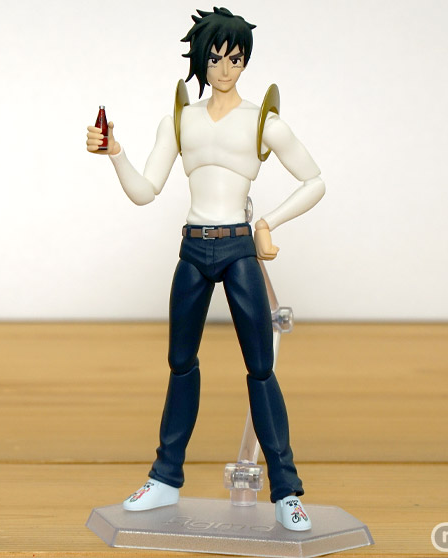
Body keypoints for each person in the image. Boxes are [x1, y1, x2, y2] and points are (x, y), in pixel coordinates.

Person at [86, 7, 325, 531]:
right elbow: (145, 191)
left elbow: (314, 181)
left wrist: (269, 222)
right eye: (215, 58)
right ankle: (165, 477)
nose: (224, 69)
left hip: (238, 248)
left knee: (261, 367)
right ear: (200, 60)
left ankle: (286, 490)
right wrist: (116, 153)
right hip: (194, 248)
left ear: (245, 62)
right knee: (180, 363)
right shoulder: (181, 121)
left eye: (234, 59)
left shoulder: (263, 122)